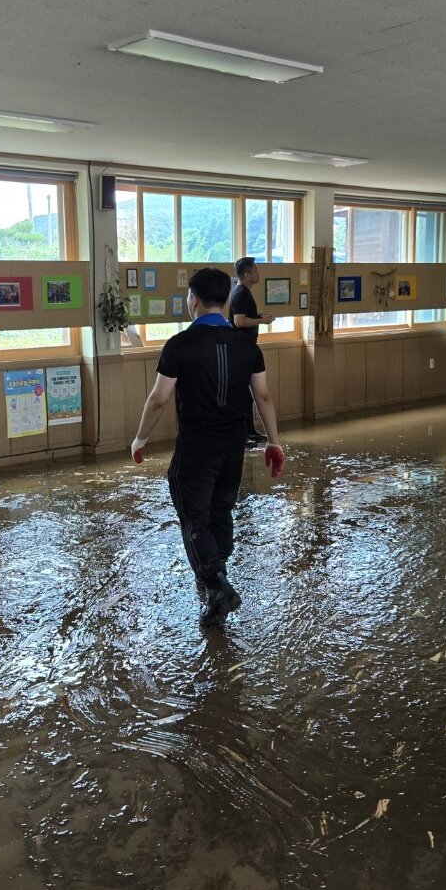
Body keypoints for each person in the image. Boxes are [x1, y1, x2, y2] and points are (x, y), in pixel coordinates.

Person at [131, 267, 286, 628]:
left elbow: (159, 399)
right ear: (226, 300)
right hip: (233, 448)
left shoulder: (180, 345)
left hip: (196, 449)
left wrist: (141, 439)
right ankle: (217, 576)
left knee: (193, 516)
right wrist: (274, 441)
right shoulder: (247, 346)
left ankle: (216, 584)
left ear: (194, 300)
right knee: (221, 510)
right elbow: (262, 396)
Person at [228, 257, 274, 444]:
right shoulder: (241, 293)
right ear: (246, 274)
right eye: (255, 270)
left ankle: (249, 431)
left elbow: (245, 317)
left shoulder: (244, 293)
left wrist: (258, 316)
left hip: (245, 347)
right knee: (244, 394)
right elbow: (239, 321)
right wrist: (262, 321)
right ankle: (244, 433)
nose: (258, 273)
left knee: (247, 394)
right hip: (241, 348)